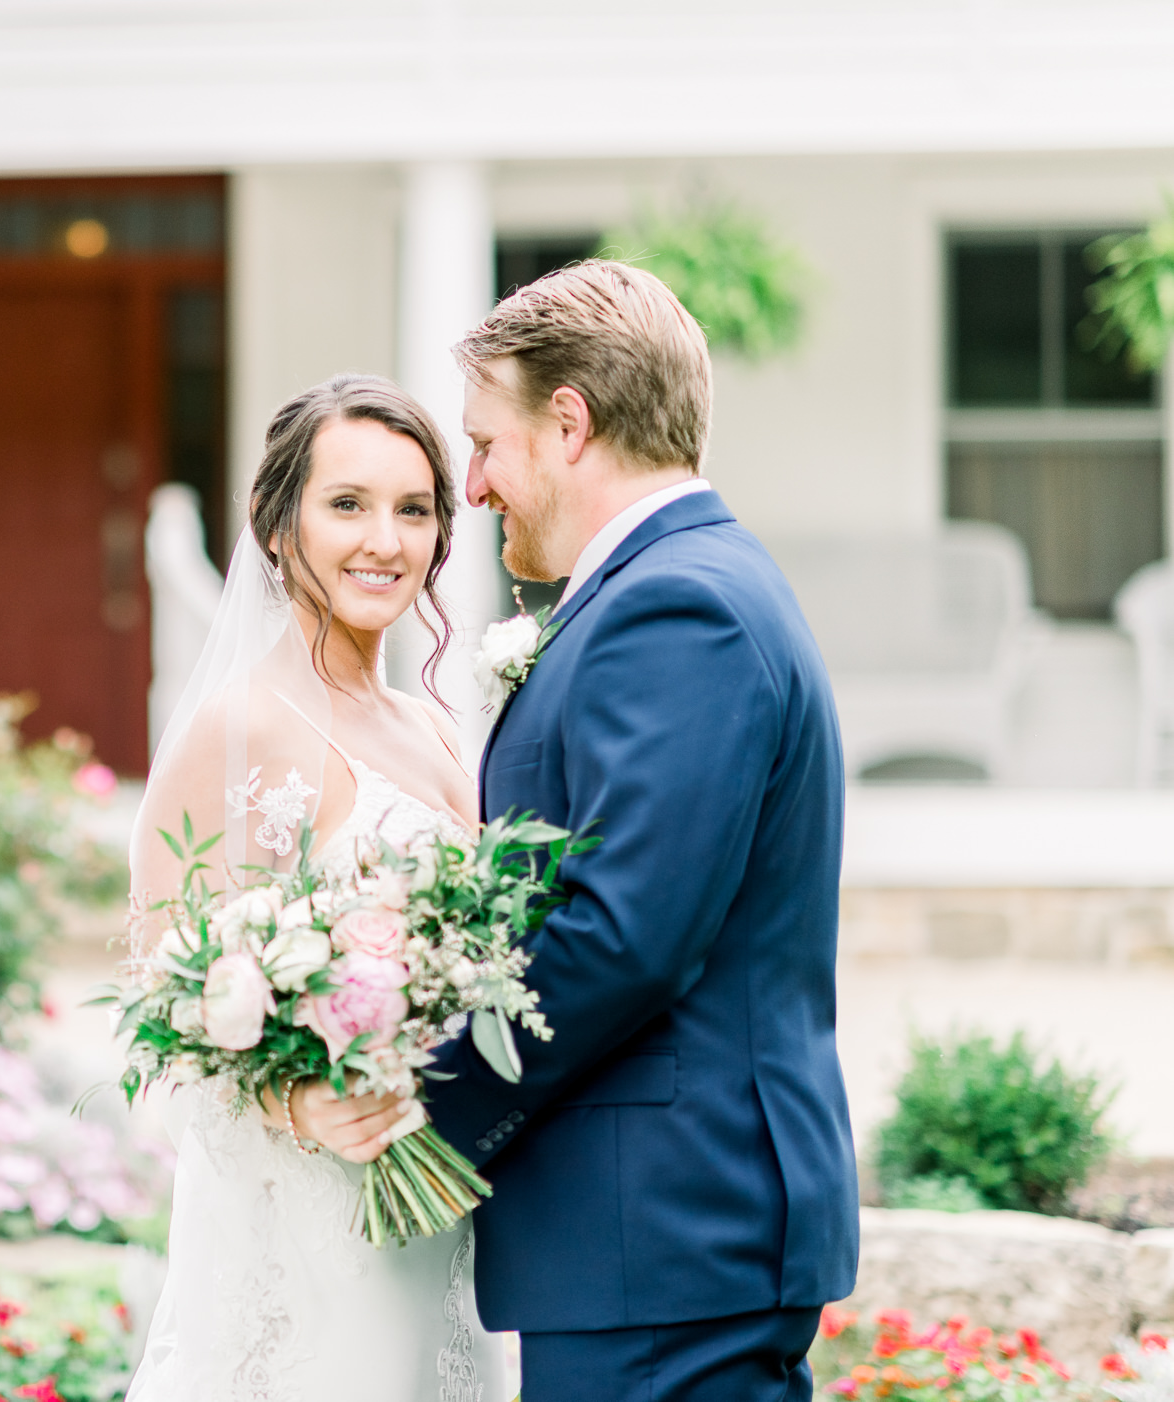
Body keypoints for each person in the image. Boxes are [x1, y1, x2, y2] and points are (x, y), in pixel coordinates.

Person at [423, 259, 860, 1401]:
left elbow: (626, 934)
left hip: (665, 1231)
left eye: (486, 442)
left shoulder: (679, 607)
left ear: (568, 423)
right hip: (655, 1240)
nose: (473, 485)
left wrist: (423, 1101)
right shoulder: (677, 586)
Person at [126, 374, 509, 1402]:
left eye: (414, 508)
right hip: (298, 1241)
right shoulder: (233, 730)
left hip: (439, 1218)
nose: (385, 538)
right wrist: (298, 1104)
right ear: (277, 520)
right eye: (348, 503)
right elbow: (164, 1011)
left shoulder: (437, 730)